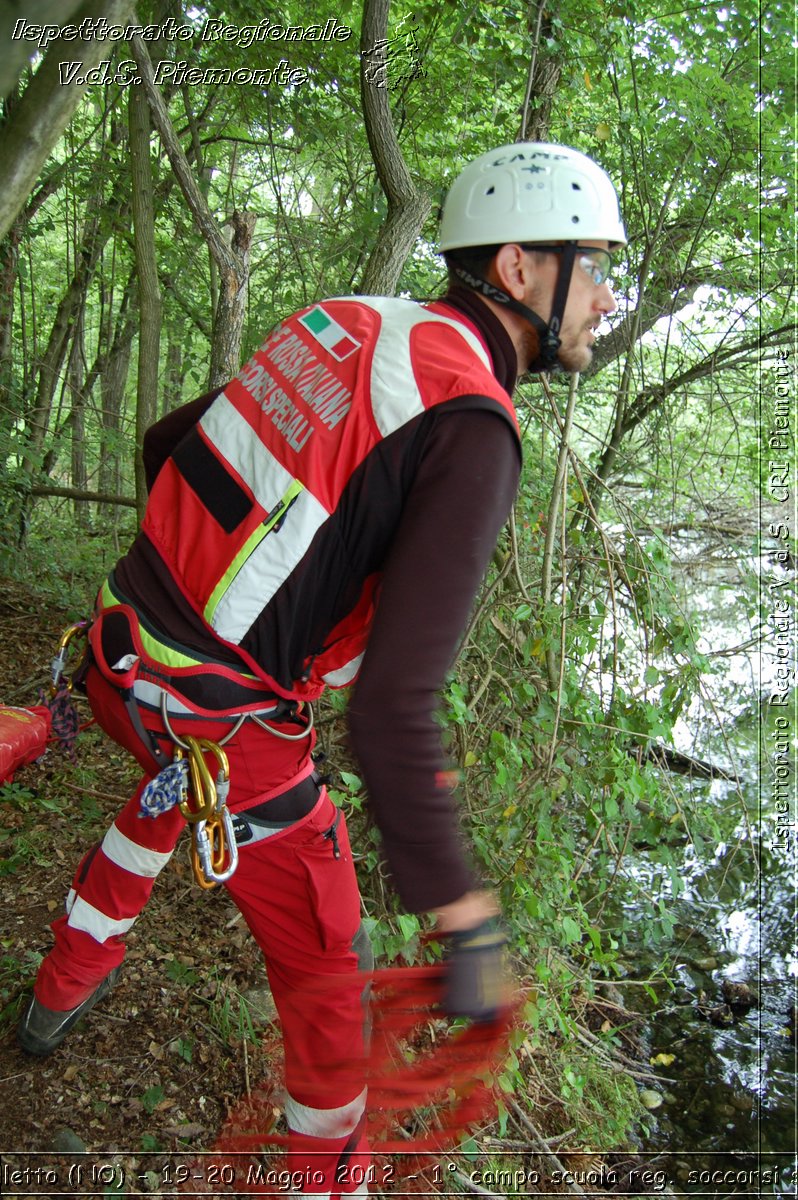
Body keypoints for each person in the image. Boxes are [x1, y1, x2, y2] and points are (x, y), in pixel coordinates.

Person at [18, 142, 625, 1197]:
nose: (609, 298)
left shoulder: (353, 319)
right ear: (522, 269)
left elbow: (171, 442)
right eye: (599, 265)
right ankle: (324, 1181)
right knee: (326, 976)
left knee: (170, 792)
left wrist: (185, 592)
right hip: (216, 721)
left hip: (118, 654)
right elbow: (392, 711)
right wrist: (461, 913)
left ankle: (56, 995)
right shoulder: (473, 426)